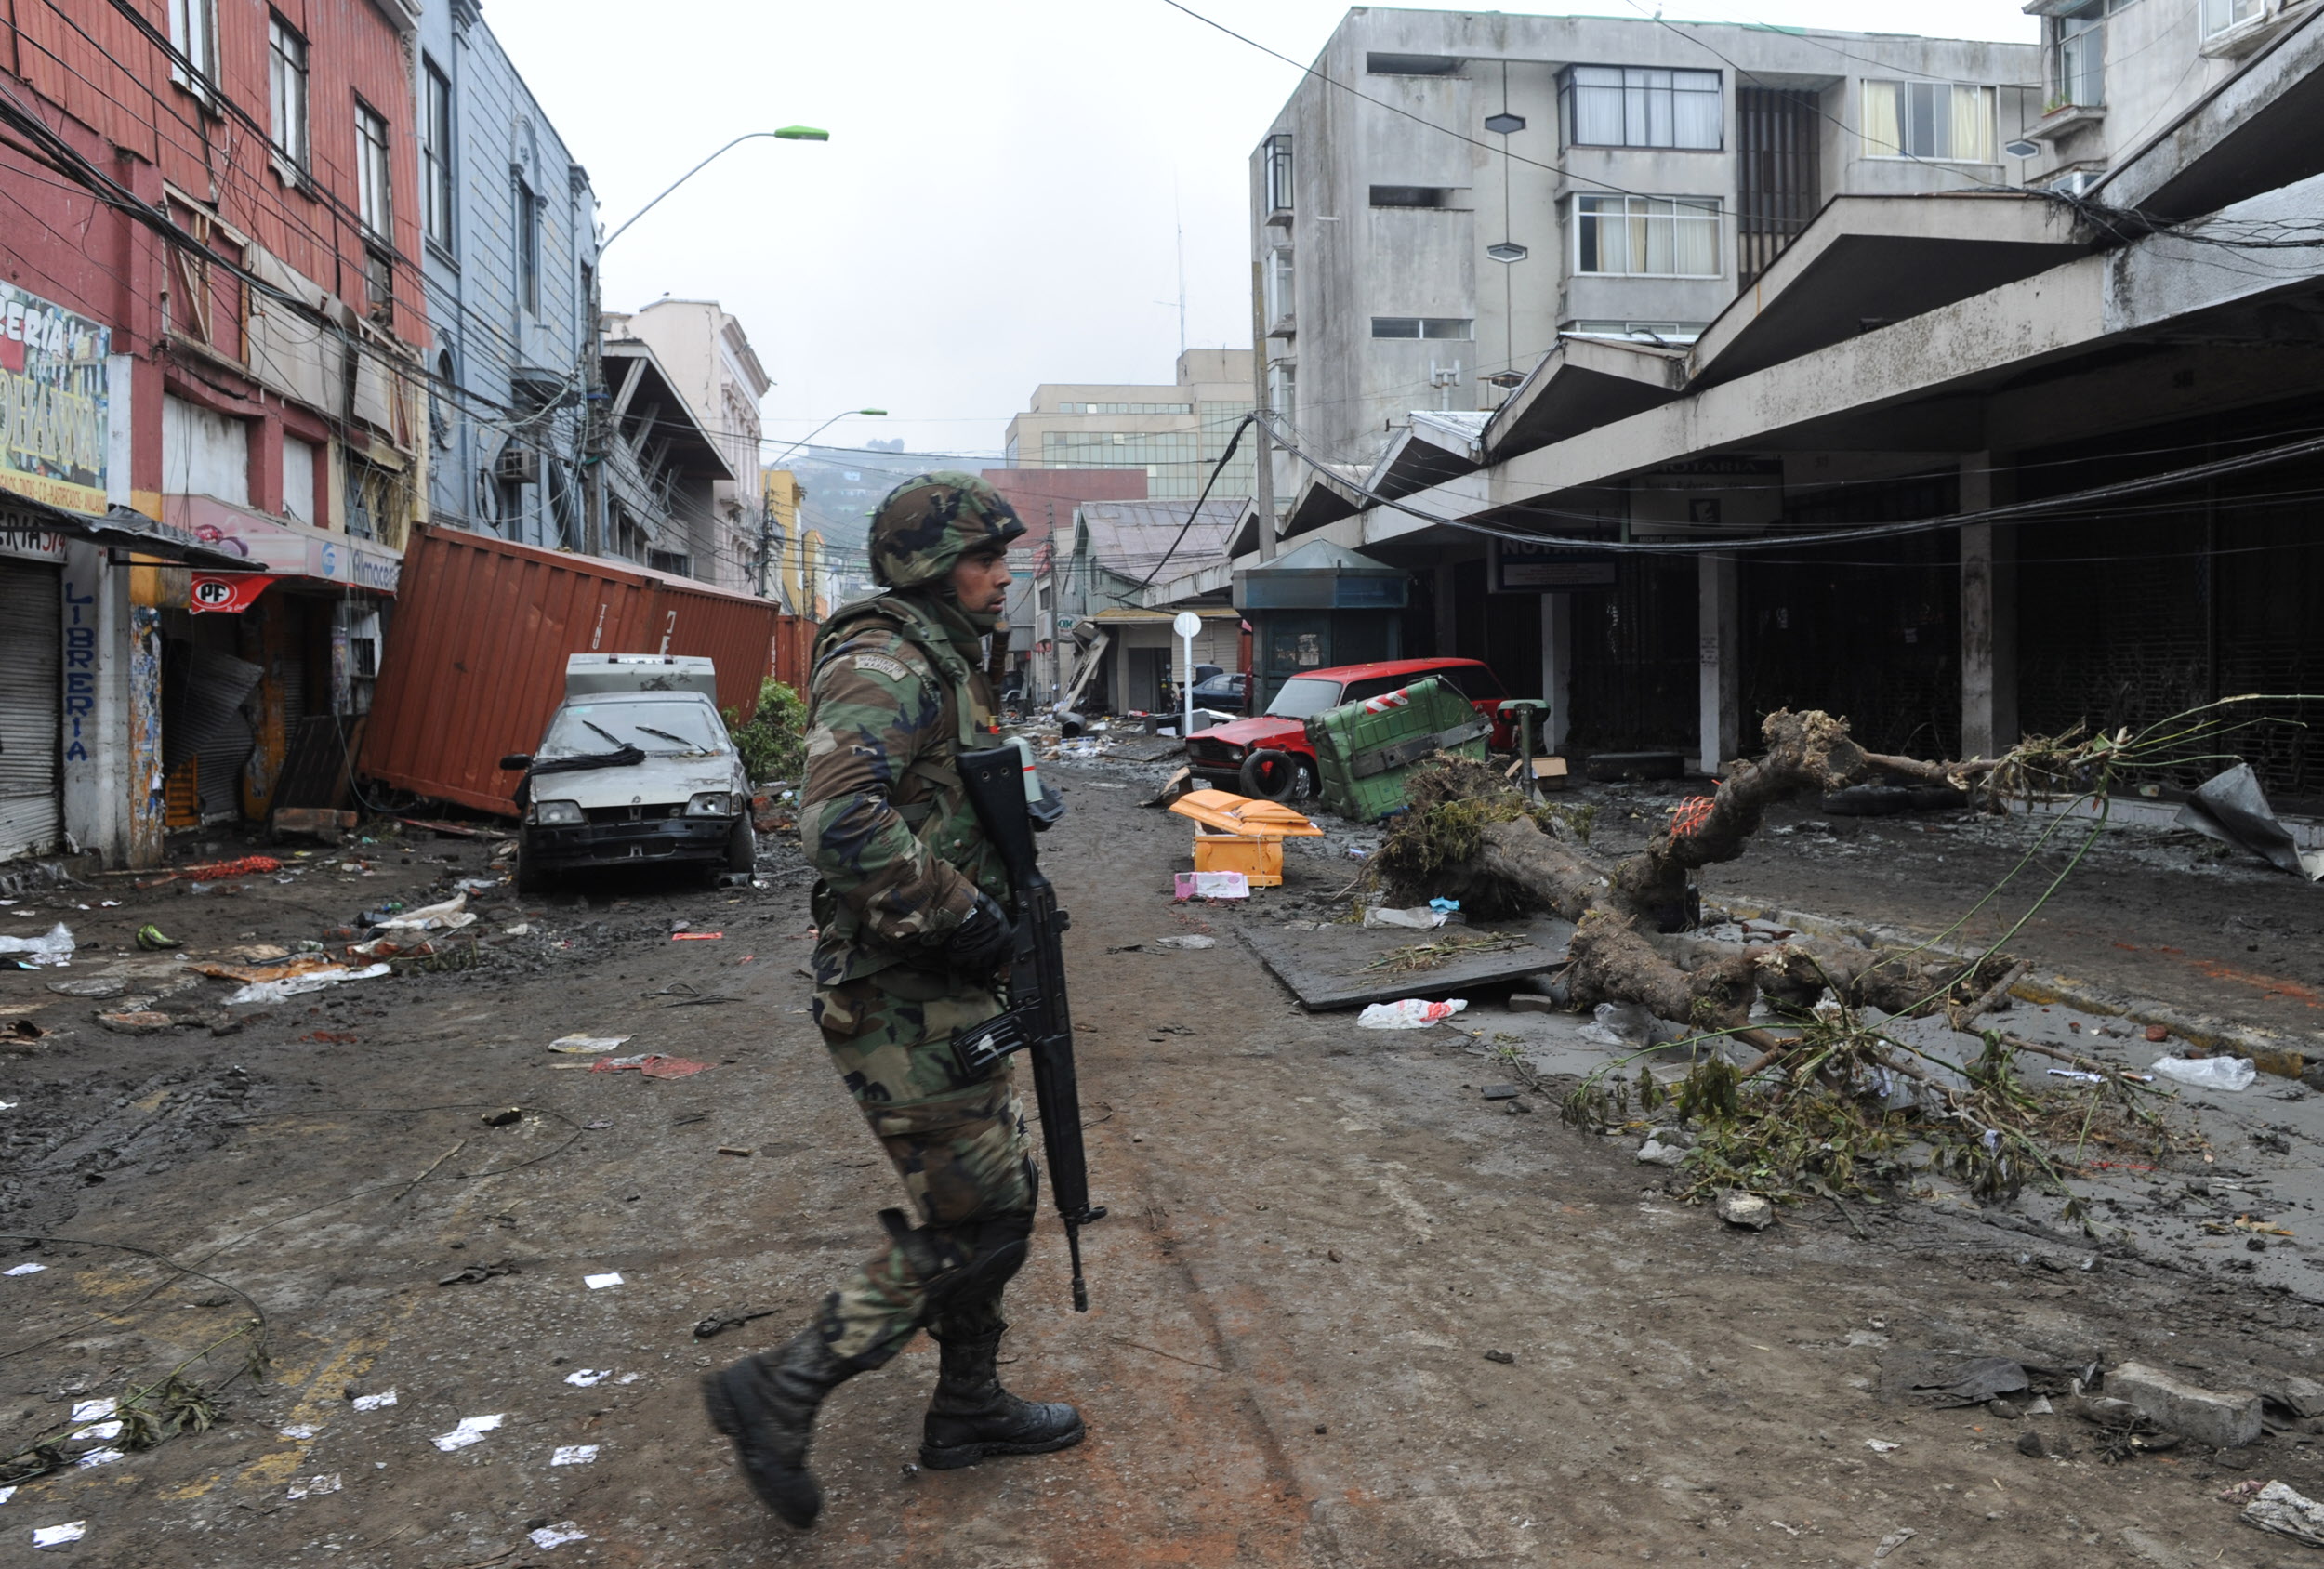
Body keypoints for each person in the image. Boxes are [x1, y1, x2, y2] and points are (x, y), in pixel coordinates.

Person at [704, 473, 1083, 1529]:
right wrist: (961, 913)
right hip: (900, 995)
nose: (1002, 576)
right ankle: (782, 1386)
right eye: (983, 558)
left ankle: (967, 1406)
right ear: (927, 567)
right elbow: (837, 820)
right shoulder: (888, 660)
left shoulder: (945, 656)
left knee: (988, 1199)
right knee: (985, 1219)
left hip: (942, 990)